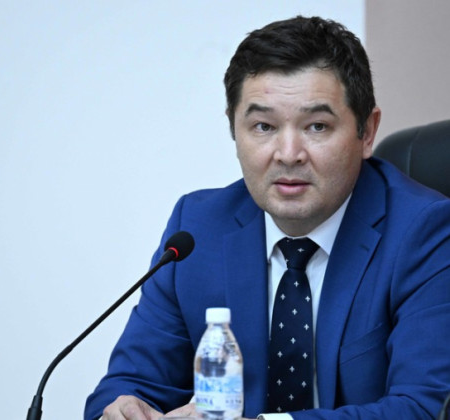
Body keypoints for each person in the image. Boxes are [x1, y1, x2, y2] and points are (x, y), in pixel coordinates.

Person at [84, 15, 450, 420]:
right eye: (263, 126)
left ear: (367, 132)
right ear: (233, 130)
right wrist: (124, 409)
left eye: (317, 126)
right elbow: (127, 385)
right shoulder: (198, 230)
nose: (288, 154)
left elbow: (425, 408)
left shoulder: (425, 232)